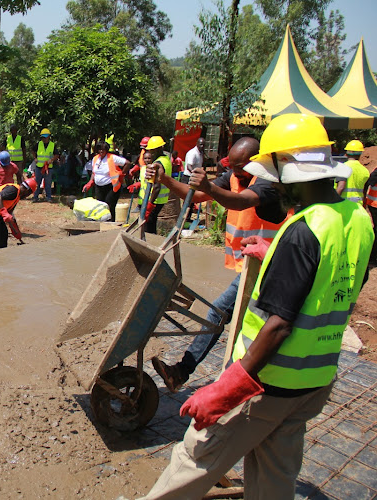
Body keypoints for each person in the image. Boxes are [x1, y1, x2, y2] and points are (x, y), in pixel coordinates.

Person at [138, 114, 373, 500]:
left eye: (273, 176)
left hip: (267, 382)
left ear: (289, 171)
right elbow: (342, 282)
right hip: (315, 380)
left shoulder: (301, 232)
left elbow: (278, 326)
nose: (270, 187)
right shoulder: (358, 220)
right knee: (273, 471)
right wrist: (278, 256)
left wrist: (224, 389)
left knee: (197, 455)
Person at [146, 137, 288, 392]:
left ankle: (221, 378)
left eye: (240, 167)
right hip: (251, 265)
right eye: (231, 166)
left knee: (222, 313)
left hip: (270, 264)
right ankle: (231, 376)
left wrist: (210, 188)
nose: (234, 172)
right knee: (239, 318)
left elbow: (241, 201)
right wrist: (166, 180)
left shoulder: (267, 180)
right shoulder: (235, 176)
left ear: (256, 162)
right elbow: (197, 196)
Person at [0, 178, 37, 250]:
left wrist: (15, 230)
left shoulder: (17, 196)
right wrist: (4, 212)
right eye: (29, 194)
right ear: (27, 191)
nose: (27, 196)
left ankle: (1, 257)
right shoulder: (13, 190)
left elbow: (9, 213)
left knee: (3, 234)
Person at [82, 141, 130, 221]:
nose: (101, 151)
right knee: (100, 206)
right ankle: (102, 224)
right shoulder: (95, 159)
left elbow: (127, 163)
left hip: (111, 187)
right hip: (99, 187)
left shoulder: (112, 158)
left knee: (109, 205)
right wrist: (90, 182)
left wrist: (122, 173)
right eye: (100, 149)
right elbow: (94, 172)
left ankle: (110, 225)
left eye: (103, 149)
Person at [140, 136, 171, 234]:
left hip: (155, 199)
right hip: (160, 199)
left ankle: (148, 245)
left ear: (159, 149)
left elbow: (157, 186)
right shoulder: (166, 159)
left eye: (153, 151)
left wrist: (149, 205)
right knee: (151, 224)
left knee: (148, 228)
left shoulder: (158, 163)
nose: (151, 153)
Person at [33, 128, 59, 203]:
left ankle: (48, 197)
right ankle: (35, 197)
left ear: (49, 137)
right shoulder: (38, 144)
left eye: (46, 137)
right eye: (43, 137)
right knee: (37, 183)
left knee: (48, 183)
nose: (45, 139)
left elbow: (57, 154)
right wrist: (35, 158)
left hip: (48, 168)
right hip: (39, 167)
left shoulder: (52, 145)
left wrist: (52, 160)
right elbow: (32, 150)